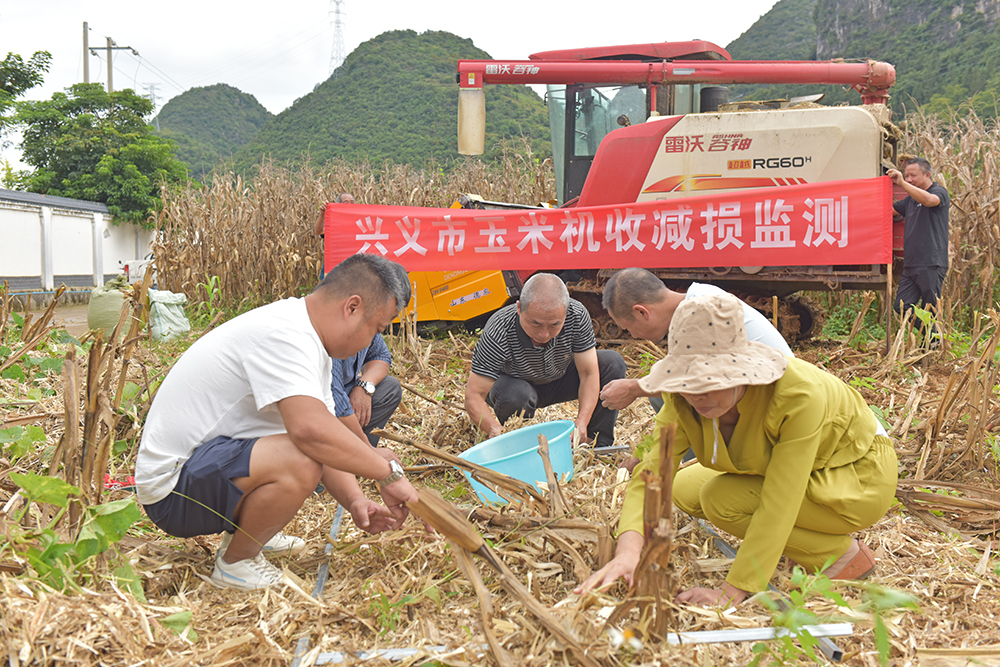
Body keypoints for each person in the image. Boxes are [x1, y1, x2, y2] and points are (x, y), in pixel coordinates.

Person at [577, 294, 897, 607]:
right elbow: (651, 472)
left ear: (742, 371)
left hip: (853, 475)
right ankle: (796, 545)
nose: (699, 397)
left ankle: (837, 555)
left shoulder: (799, 397)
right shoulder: (682, 396)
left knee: (721, 500)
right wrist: (629, 552)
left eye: (712, 382)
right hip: (793, 469)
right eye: (689, 383)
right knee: (683, 488)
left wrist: (732, 592)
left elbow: (780, 499)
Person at [136, 253, 418, 591]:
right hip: (172, 490)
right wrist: (385, 473)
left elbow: (324, 430)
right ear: (352, 307)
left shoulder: (310, 340)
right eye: (377, 328)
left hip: (204, 468)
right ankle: (236, 564)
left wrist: (356, 500)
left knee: (310, 448)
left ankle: (250, 533)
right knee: (302, 457)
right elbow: (311, 434)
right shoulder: (286, 335)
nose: (372, 340)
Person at [464, 272, 627, 451]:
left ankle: (596, 444)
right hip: (514, 383)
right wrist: (495, 430)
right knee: (516, 395)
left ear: (566, 312)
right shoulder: (500, 329)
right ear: (519, 309)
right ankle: (520, 446)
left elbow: (588, 373)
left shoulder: (577, 315)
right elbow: (474, 395)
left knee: (612, 363)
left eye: (554, 325)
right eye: (536, 324)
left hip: (559, 376)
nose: (544, 334)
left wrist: (582, 421)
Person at [597, 268, 792, 414]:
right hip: (760, 388)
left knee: (672, 397)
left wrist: (634, 388)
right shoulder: (698, 296)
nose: (633, 336)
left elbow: (702, 382)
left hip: (773, 397)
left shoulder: (700, 311)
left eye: (628, 328)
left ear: (642, 312)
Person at [887, 158, 950, 336]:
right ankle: (930, 336)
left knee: (930, 308)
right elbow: (889, 211)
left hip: (931, 262)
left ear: (927, 175)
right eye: (906, 176)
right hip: (911, 264)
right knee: (902, 305)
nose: (908, 179)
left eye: (913, 175)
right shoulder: (910, 201)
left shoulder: (939, 192)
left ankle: (933, 346)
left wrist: (902, 184)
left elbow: (930, 201)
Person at [330, 331, 402, 447]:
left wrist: (364, 386)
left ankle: (353, 453)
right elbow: (336, 399)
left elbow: (381, 356)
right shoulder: (331, 334)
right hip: (322, 406)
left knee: (390, 388)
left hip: (343, 393)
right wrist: (368, 450)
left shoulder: (369, 324)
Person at [314, 193, 357, 280]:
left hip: (353, 265)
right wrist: (322, 214)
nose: (349, 205)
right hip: (334, 264)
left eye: (352, 202)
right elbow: (319, 231)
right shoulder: (334, 220)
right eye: (345, 202)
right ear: (339, 204)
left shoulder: (359, 220)